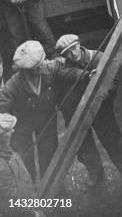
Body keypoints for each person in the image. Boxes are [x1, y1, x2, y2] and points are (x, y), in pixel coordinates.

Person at [55, 34, 122, 187]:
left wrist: (102, 95)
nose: (73, 53)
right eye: (68, 52)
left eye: (74, 48)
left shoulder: (99, 58)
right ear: (63, 55)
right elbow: (60, 76)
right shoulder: (63, 67)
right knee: (84, 146)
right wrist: (86, 77)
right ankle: (96, 174)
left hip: (101, 110)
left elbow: (113, 81)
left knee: (113, 140)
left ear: (79, 44)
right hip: (77, 112)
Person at [0, 41, 85, 179]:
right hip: (23, 124)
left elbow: (65, 71)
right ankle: (30, 185)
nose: (42, 65)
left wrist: (85, 74)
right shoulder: (12, 85)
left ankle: (51, 185)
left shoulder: (48, 68)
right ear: (26, 69)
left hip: (46, 120)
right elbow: (1, 108)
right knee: (24, 155)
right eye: (37, 65)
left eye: (42, 61)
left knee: (49, 152)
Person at [0, 113, 42, 217]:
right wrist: (33, 214)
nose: (13, 131)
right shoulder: (2, 167)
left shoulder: (8, 152)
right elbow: (11, 201)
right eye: (9, 130)